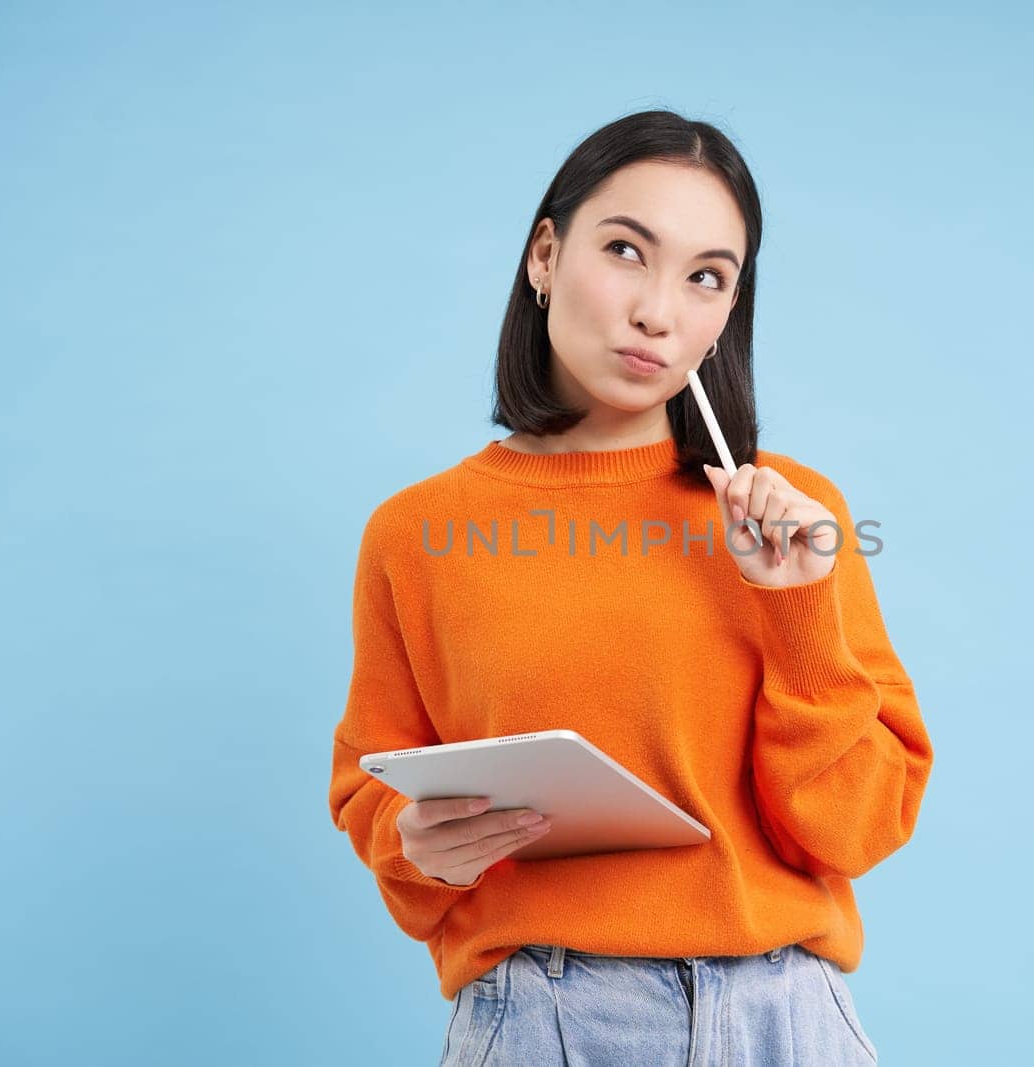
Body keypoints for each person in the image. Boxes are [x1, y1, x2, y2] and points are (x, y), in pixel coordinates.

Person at [326, 108, 933, 1066]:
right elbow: (374, 794)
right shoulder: (414, 535)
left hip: (788, 1021)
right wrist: (412, 843)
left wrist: (798, 608)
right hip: (544, 1019)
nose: (659, 310)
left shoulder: (798, 516)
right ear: (543, 255)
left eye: (706, 277)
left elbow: (853, 830)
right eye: (625, 250)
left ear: (727, 312)